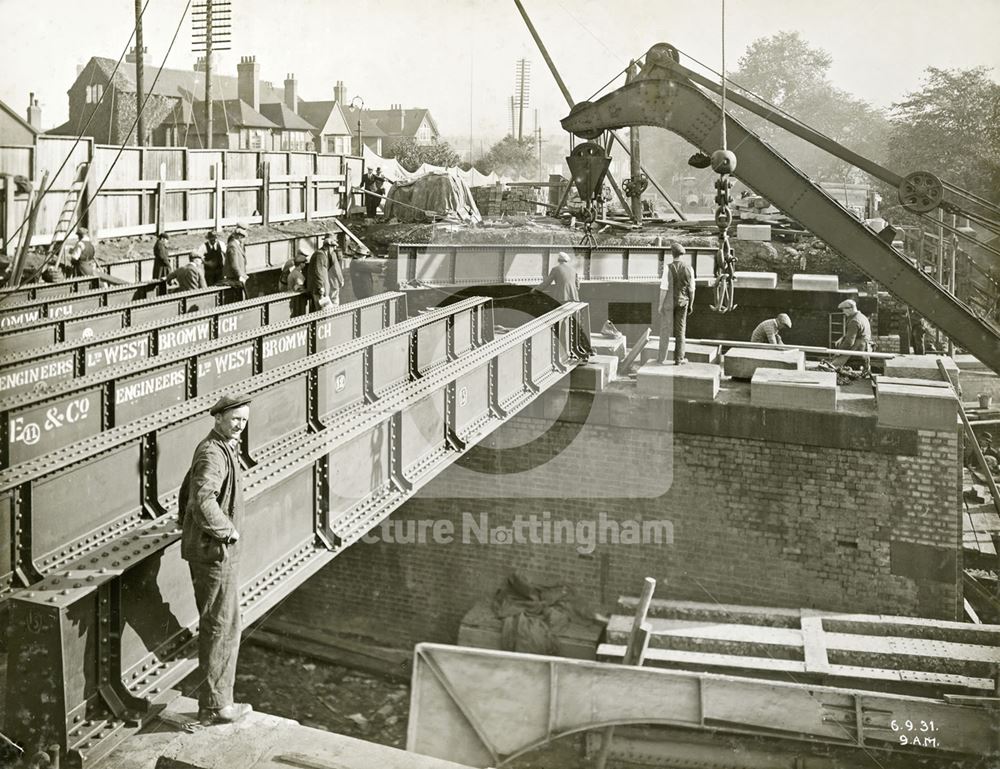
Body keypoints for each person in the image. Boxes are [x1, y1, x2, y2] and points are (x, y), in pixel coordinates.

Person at [179, 393, 253, 726]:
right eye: (235, 419)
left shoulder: (219, 447)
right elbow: (202, 498)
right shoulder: (213, 452)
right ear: (218, 418)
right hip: (215, 552)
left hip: (212, 550)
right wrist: (228, 531)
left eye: (244, 419)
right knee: (221, 626)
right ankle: (216, 705)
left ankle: (217, 701)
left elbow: (188, 490)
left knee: (224, 623)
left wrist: (182, 517)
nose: (240, 425)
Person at [532, 251, 593, 355]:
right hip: (574, 299)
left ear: (559, 260)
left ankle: (562, 347)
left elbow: (547, 282)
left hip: (561, 299)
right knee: (573, 323)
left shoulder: (556, 269)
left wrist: (535, 290)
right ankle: (577, 346)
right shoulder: (573, 270)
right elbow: (577, 286)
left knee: (560, 323)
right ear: (567, 260)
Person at [656, 243, 695, 365]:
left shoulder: (668, 268)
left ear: (672, 254)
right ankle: (679, 359)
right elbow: (692, 289)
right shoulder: (689, 268)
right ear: (682, 254)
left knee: (665, 330)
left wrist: (660, 305)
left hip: (669, 303)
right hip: (683, 302)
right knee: (680, 330)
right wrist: (691, 304)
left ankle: (662, 358)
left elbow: (664, 289)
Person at [822, 299, 872, 374]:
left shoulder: (854, 321)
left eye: (844, 310)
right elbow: (858, 333)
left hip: (857, 348)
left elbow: (849, 342)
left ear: (851, 308)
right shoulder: (862, 316)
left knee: (830, 367)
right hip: (866, 347)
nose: (843, 312)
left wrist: (839, 351)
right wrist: (842, 338)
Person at [307, 233, 345, 311]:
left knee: (323, 310)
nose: (334, 248)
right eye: (333, 246)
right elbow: (318, 272)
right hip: (318, 289)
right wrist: (321, 287)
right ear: (328, 246)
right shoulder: (320, 255)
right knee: (322, 311)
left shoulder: (323, 254)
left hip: (321, 288)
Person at [224, 224, 249, 296]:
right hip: (234, 278)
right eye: (244, 238)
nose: (245, 240)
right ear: (239, 237)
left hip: (238, 277)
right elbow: (234, 264)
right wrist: (240, 276)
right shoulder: (233, 246)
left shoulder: (237, 245)